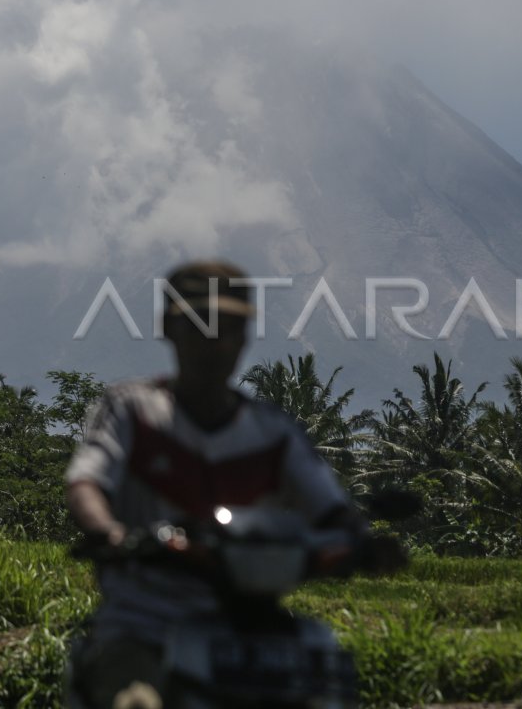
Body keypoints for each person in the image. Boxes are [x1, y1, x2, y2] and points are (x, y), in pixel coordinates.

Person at [65, 260, 369, 709]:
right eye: (200, 327)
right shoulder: (132, 412)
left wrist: (360, 540)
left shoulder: (274, 432)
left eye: (229, 328)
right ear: (169, 330)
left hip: (247, 630)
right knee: (135, 700)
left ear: (245, 338)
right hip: (145, 627)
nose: (216, 343)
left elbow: (330, 508)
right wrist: (109, 531)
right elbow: (88, 480)